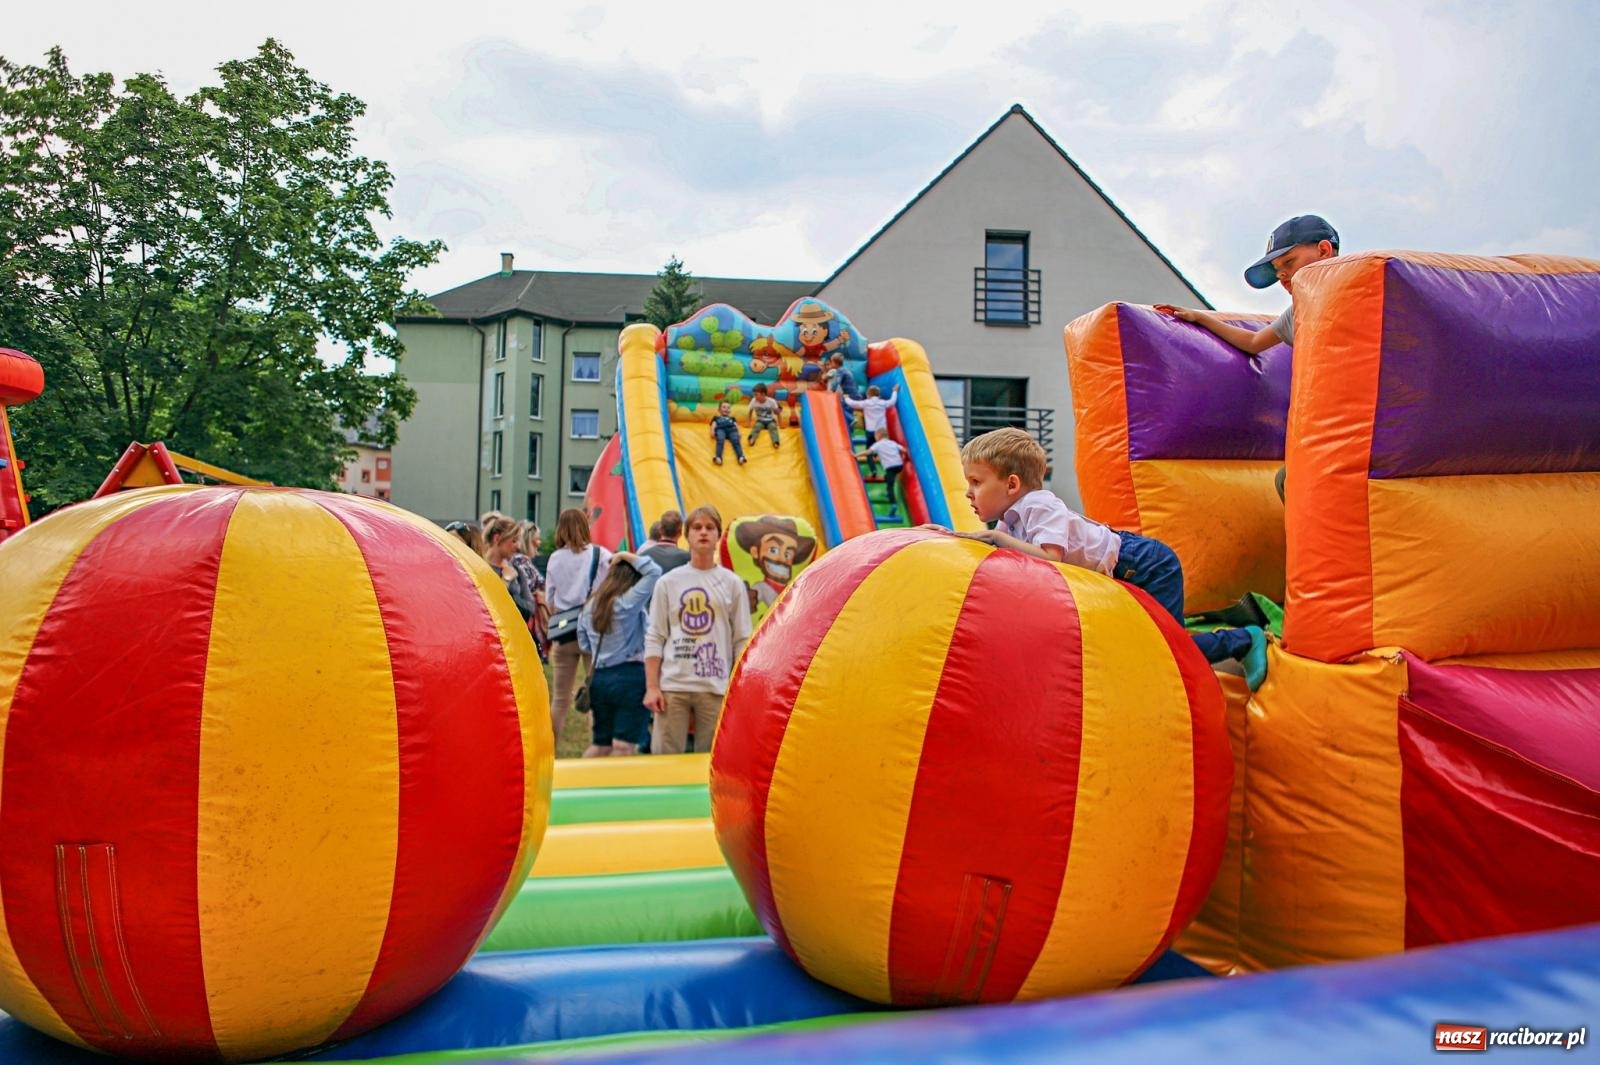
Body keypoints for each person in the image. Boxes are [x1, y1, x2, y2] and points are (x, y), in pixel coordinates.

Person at [946, 428, 1267, 689]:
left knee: (1168, 651)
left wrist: (995, 538)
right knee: (1147, 649)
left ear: (1012, 484)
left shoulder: (1037, 505)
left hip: (1147, 565)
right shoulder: (1010, 521)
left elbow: (1050, 560)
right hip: (1120, 572)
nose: (968, 493)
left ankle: (1242, 640)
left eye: (976, 482)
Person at [644, 505, 753, 754]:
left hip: (715, 686)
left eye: (709, 527)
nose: (703, 532)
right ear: (686, 535)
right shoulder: (668, 583)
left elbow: (742, 640)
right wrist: (652, 687)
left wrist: (738, 688)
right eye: (697, 527)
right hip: (674, 684)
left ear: (718, 535)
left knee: (712, 761)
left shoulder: (732, 584)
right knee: (666, 758)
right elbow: (655, 636)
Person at [1153, 214, 1339, 355]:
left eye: (1289, 261)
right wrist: (1200, 317)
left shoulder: (1362, 288)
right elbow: (1253, 342)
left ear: (1324, 250)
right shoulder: (1297, 313)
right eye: (1276, 270)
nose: (1281, 274)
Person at [577, 551, 663, 757]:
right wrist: (626, 555)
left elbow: (585, 644)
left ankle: (581, 783)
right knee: (623, 745)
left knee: (601, 744)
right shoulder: (626, 603)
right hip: (630, 677)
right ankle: (617, 784)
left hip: (600, 678)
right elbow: (654, 572)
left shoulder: (590, 607)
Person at [546, 508, 613, 738]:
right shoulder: (601, 555)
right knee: (596, 693)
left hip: (564, 631)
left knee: (560, 698)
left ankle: (551, 750)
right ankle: (597, 744)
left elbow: (550, 599)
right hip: (591, 629)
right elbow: (608, 590)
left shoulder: (555, 558)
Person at [483, 514, 544, 621]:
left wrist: (513, 596)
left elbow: (530, 609)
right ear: (497, 538)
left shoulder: (516, 570)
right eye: (514, 540)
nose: (518, 546)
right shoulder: (479, 568)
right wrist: (505, 582)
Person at [855, 428, 907, 512]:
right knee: (887, 477)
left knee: (890, 485)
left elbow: (868, 452)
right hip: (899, 465)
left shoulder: (878, 444)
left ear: (878, 436)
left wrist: (857, 455)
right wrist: (905, 457)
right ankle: (888, 493)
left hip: (890, 467)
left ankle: (893, 504)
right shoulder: (892, 443)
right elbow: (904, 450)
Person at [746, 383, 782, 449]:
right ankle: (752, 439)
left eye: (756, 395)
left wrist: (780, 424)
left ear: (763, 394)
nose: (755, 396)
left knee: (773, 427)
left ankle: (776, 442)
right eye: (754, 394)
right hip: (760, 421)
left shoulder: (771, 401)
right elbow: (750, 411)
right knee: (756, 427)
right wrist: (748, 423)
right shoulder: (753, 401)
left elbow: (778, 413)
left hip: (770, 420)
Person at [710, 401, 746, 466]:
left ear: (730, 410)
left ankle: (741, 457)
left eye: (728, 407)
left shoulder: (732, 418)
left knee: (736, 441)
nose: (726, 409)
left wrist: (739, 432)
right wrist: (712, 431)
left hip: (732, 430)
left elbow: (736, 425)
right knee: (720, 440)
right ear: (719, 410)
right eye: (724, 407)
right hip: (721, 429)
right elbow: (713, 424)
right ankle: (718, 457)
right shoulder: (716, 417)